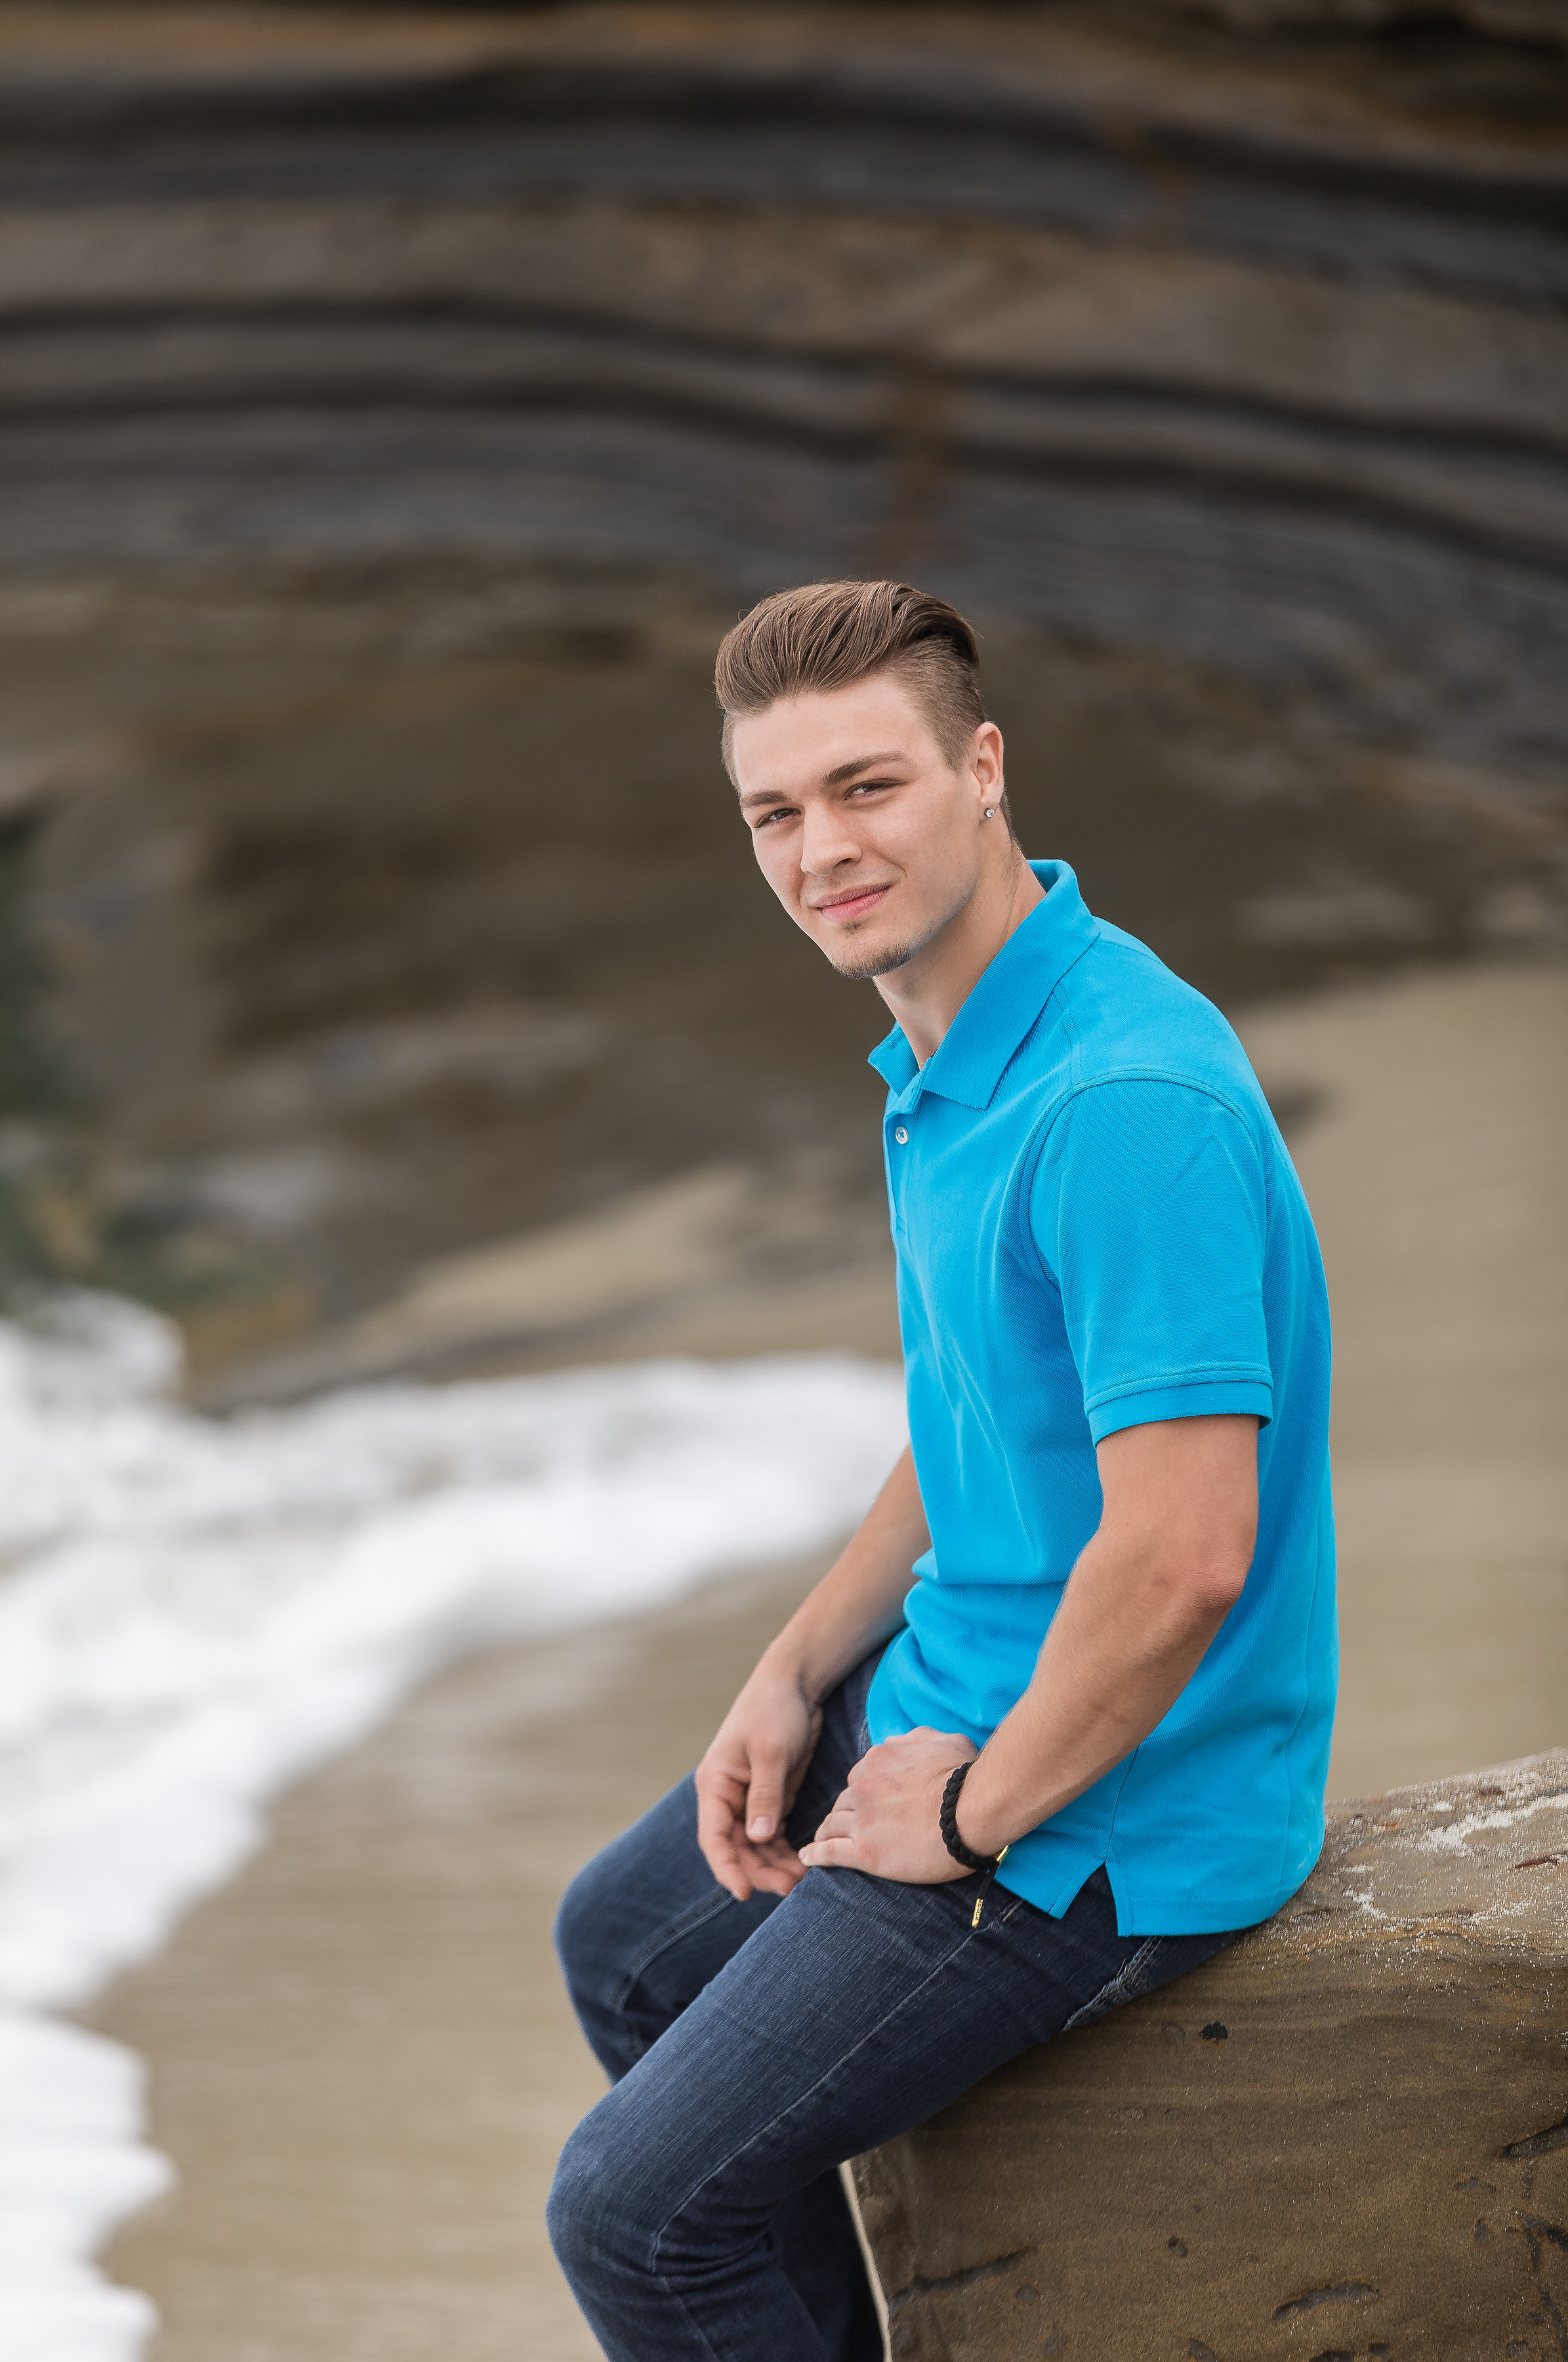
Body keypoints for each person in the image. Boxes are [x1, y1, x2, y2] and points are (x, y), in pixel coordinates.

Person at [547, 580, 1336, 2361]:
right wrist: (799, 1663)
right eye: (776, 811)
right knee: (627, 1941)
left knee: (635, 2218)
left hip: (1110, 1806)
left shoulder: (1123, 1103)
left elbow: (1188, 1554)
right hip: (958, 1687)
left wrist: (972, 1818)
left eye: (867, 787)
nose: (823, 850)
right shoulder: (951, 1050)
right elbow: (982, 1409)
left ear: (983, 768)